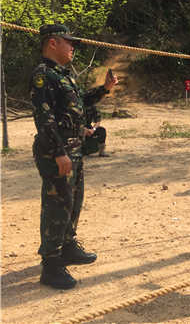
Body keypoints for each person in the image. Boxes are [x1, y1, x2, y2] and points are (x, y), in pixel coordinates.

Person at [30, 24, 118, 290]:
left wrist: (104, 88)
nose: (73, 47)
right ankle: (51, 264)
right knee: (57, 205)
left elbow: (80, 103)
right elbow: (44, 119)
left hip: (74, 149)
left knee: (73, 201)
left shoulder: (63, 75)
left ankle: (67, 246)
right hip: (56, 151)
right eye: (69, 42)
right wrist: (58, 153)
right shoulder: (43, 74)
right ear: (52, 43)